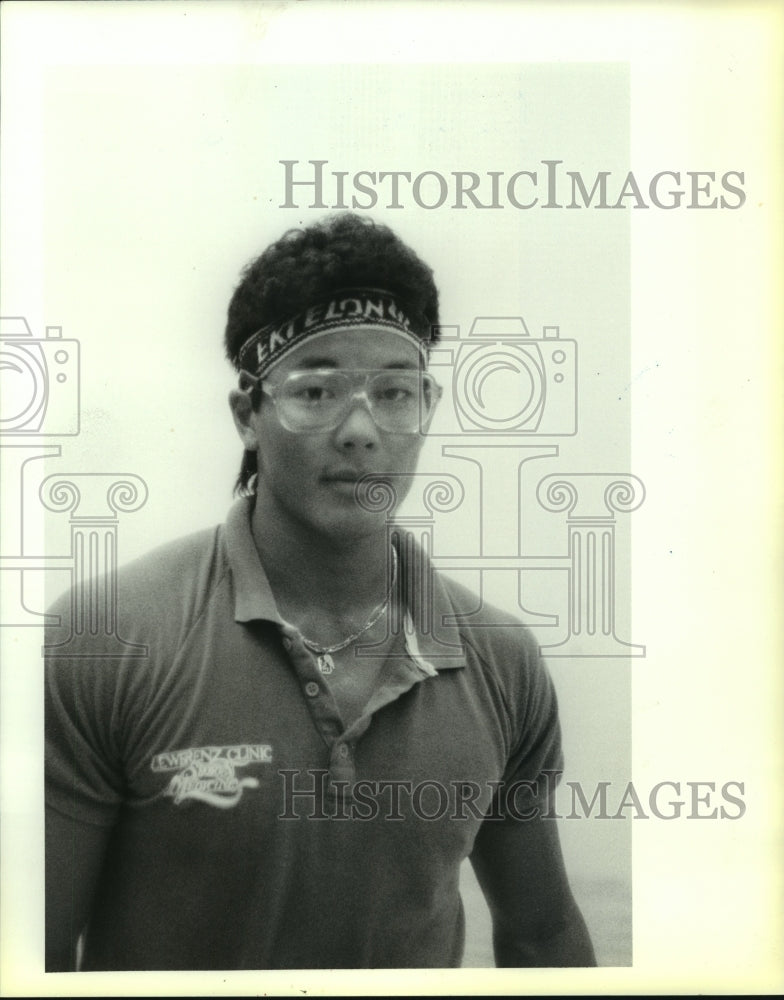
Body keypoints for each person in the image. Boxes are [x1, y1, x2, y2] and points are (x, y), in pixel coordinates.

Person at [45, 213, 596, 971]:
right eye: (317, 390)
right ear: (248, 415)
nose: (361, 429)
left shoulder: (500, 659)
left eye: (396, 393)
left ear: (426, 409)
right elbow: (32, 959)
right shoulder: (107, 637)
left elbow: (542, 937)